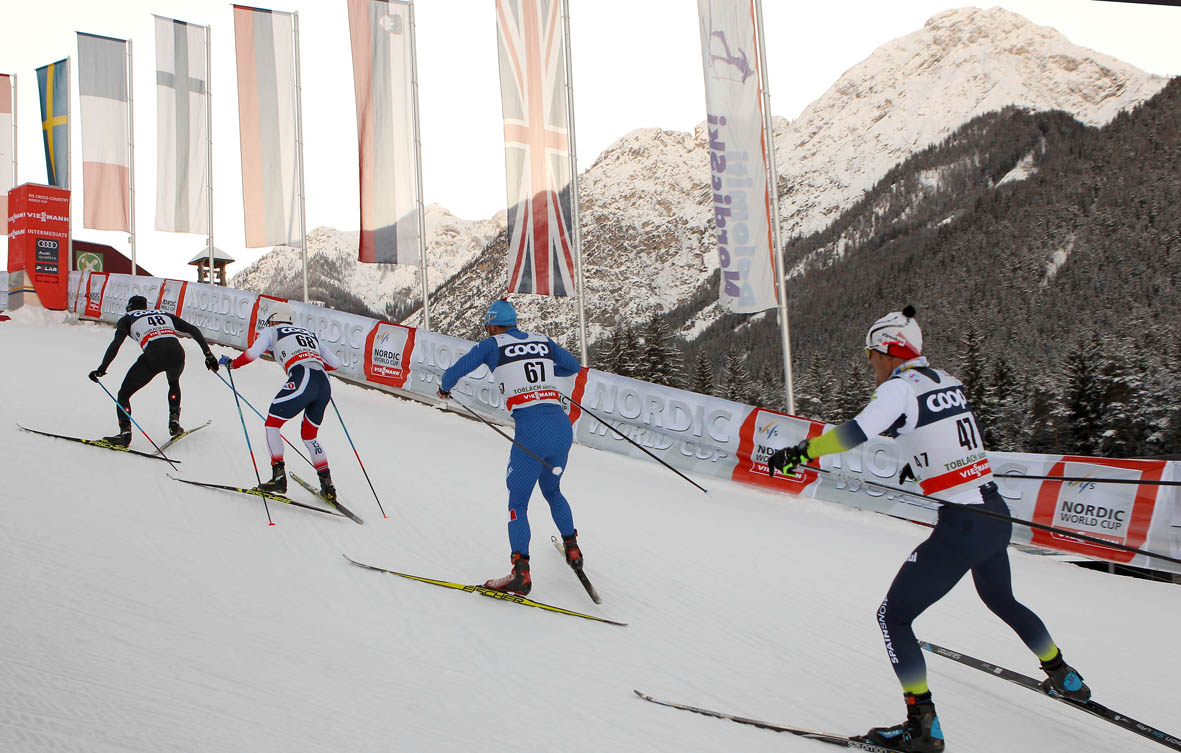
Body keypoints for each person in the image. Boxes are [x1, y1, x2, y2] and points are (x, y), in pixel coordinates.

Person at [768, 305, 1089, 753]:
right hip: (994, 513)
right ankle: (1063, 675)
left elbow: (856, 432)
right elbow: (947, 436)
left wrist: (802, 452)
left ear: (888, 351)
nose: (870, 366)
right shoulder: (945, 380)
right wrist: (918, 464)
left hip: (962, 525)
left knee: (893, 616)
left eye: (870, 356)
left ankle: (922, 727)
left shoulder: (898, 389)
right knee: (1001, 598)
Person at [437, 299, 583, 595]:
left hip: (532, 430)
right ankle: (573, 550)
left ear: (492, 324)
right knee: (552, 490)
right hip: (561, 425)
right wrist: (543, 371)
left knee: (518, 502)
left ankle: (521, 573)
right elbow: (572, 367)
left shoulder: (491, 344)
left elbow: (456, 370)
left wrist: (444, 387)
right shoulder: (542, 340)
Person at [219, 301, 343, 500]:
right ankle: (328, 487)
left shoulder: (272, 331)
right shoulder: (307, 333)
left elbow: (252, 353)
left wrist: (232, 364)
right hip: (323, 383)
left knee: (272, 424)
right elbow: (335, 364)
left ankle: (278, 477)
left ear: (273, 319)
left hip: (303, 377)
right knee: (310, 436)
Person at [89, 294, 219, 446]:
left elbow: (116, 343)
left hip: (154, 354)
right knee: (173, 382)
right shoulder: (163, 313)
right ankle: (174, 423)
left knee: (124, 394)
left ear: (129, 308)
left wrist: (102, 368)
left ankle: (125, 435)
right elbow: (192, 329)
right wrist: (208, 355)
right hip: (176, 353)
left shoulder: (127, 318)